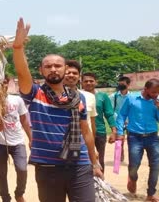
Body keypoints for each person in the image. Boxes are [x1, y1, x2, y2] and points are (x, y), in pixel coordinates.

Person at [12, 18, 102, 202]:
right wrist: (18, 48)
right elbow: (22, 73)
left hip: (80, 164)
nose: (53, 69)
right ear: (41, 70)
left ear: (65, 69)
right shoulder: (35, 93)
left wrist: (95, 162)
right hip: (48, 168)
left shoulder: (79, 98)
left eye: (57, 66)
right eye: (48, 66)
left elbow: (86, 132)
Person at [116, 78, 159, 202]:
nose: (156, 94)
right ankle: (132, 178)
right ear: (146, 89)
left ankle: (151, 194)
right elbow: (122, 115)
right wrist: (120, 133)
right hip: (134, 137)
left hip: (153, 137)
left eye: (158, 92)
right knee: (133, 166)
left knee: (155, 166)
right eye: (153, 92)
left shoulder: (158, 102)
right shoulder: (132, 99)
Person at [0, 75, 32, 202]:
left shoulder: (17, 100)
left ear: (8, 84)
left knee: (22, 168)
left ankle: (19, 193)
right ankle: (5, 197)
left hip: (18, 140)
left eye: (4, 82)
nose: (2, 85)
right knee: (1, 172)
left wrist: (31, 138)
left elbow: (24, 120)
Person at [81, 72, 117, 173]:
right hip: (83, 133)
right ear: (81, 83)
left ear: (96, 82)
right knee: (84, 160)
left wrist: (114, 131)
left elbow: (109, 114)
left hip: (99, 132)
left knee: (99, 160)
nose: (88, 83)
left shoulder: (102, 97)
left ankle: (100, 185)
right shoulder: (77, 96)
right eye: (86, 81)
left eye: (91, 81)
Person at [63, 60, 98, 137]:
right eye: (68, 73)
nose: (71, 75)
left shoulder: (89, 97)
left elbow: (92, 122)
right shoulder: (54, 97)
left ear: (79, 77)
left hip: (83, 143)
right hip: (60, 142)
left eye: (75, 73)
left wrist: (92, 145)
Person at [110, 76, 132, 161]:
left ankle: (132, 159)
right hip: (118, 122)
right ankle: (118, 160)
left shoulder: (132, 97)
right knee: (119, 142)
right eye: (119, 83)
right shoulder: (113, 96)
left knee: (132, 142)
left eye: (123, 84)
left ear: (128, 84)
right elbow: (111, 110)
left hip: (130, 122)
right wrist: (119, 120)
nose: (120, 85)